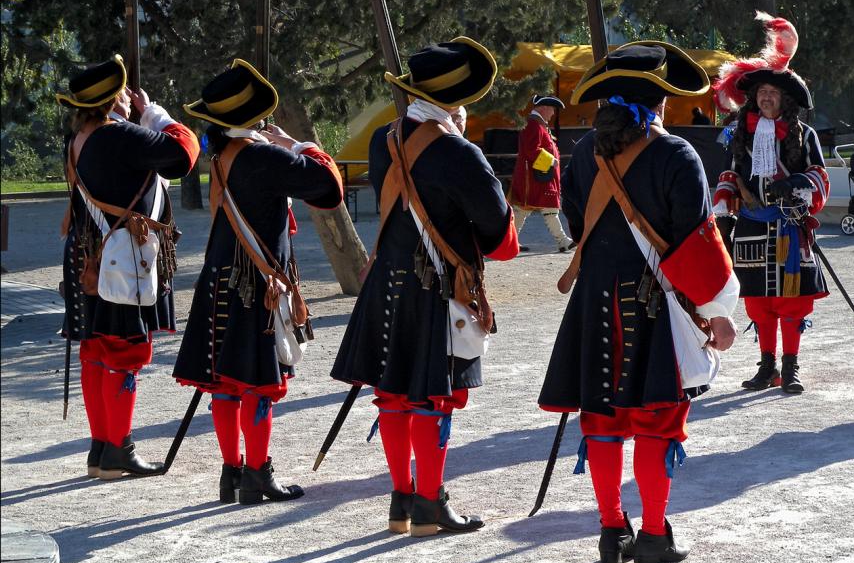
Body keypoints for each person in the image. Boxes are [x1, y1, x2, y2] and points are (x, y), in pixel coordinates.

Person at [538, 42, 739, 563]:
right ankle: (653, 535)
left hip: (594, 303)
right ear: (661, 102)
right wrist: (718, 310)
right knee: (657, 423)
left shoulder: (583, 153)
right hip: (654, 306)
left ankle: (611, 531)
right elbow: (697, 240)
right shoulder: (676, 154)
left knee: (601, 420)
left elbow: (578, 224)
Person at [332, 37, 519, 536]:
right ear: (456, 101)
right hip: (435, 287)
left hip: (388, 282)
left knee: (392, 396)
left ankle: (400, 501)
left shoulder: (382, 139)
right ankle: (430, 503)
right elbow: (501, 238)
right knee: (434, 401)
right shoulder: (459, 152)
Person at [173, 58, 343, 504]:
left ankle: (232, 473)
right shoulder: (265, 155)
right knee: (261, 383)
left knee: (226, 383)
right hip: (256, 283)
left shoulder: (223, 155)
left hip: (221, 277)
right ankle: (257, 472)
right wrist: (298, 144)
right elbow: (329, 186)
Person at [58, 55, 199, 478]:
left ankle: (101, 448)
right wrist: (153, 114)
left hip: (86, 254)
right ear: (112, 99)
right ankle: (119, 447)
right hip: (120, 258)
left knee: (96, 350)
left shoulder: (79, 138)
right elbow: (184, 152)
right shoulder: (120, 136)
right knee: (124, 351)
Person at [711, 13, 830, 394]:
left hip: (787, 226)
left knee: (790, 301)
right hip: (749, 224)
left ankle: (791, 367)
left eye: (772, 93)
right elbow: (730, 172)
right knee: (759, 302)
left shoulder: (804, 134)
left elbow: (820, 176)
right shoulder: (740, 136)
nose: (765, 97)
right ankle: (767, 367)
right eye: (760, 93)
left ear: (784, 100)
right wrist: (725, 197)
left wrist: (796, 182)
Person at [507, 94, 574, 253]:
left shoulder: (537, 124)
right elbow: (532, 150)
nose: (552, 113)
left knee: (527, 210)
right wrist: (552, 160)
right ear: (543, 108)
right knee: (538, 209)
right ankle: (562, 241)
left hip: (539, 176)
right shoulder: (533, 125)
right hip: (534, 177)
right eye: (551, 109)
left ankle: (511, 242)